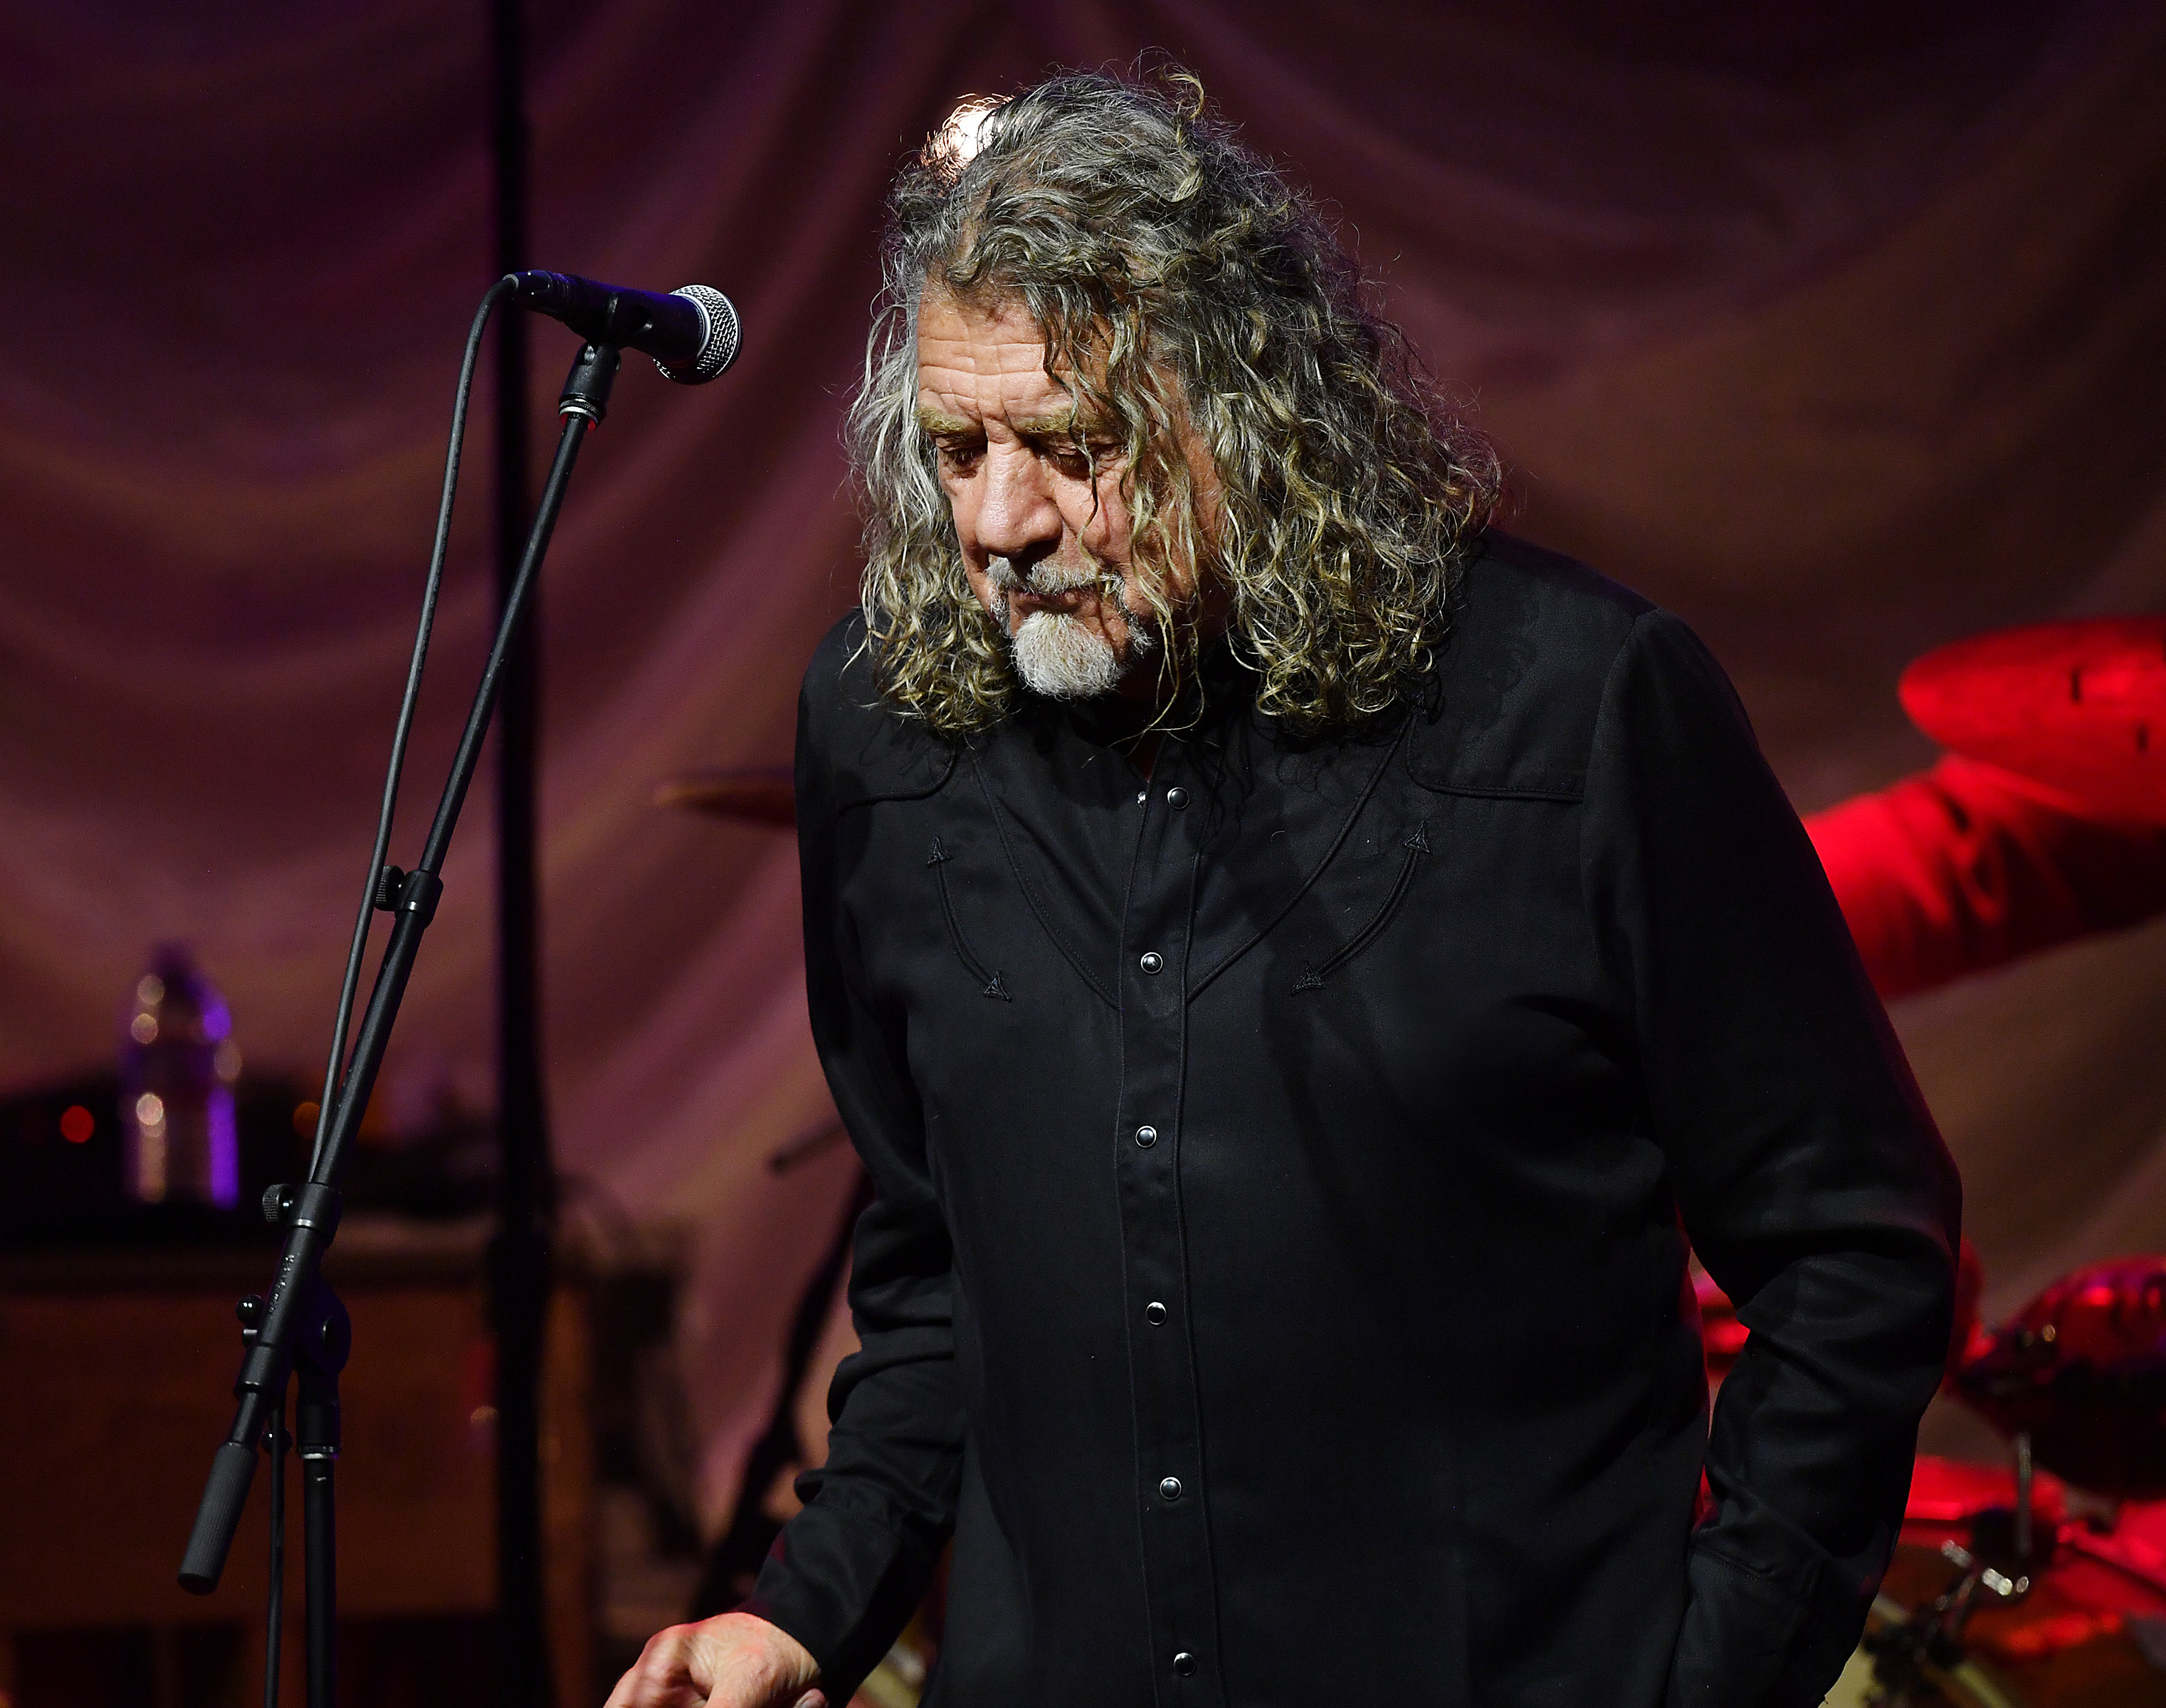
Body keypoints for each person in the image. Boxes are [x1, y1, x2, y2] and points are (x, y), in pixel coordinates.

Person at [609, 68, 1959, 1708]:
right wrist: (806, 1609)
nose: (999, 521)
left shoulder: (1577, 709)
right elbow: (940, 1279)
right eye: (955, 448)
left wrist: (1711, 1677)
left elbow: (1855, 1250)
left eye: (1073, 444)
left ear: (1251, 406)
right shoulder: (885, 734)